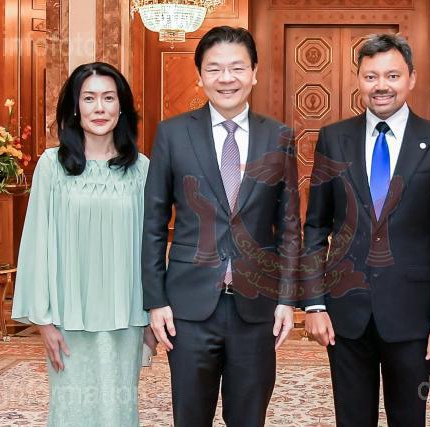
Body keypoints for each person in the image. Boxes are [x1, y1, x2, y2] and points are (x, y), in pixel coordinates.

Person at [302, 33, 430, 426]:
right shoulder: (333, 139)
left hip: (413, 314)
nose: (381, 86)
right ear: (358, 80)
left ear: (411, 78)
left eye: (392, 75)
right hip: (345, 312)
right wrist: (315, 303)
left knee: (409, 418)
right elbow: (315, 227)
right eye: (371, 76)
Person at [142, 26, 300, 427]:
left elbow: (289, 226)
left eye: (237, 68)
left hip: (257, 308)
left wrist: (286, 299)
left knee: (249, 418)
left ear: (254, 73)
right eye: (214, 69)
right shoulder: (173, 134)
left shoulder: (279, 136)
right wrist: (155, 301)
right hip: (189, 307)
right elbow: (153, 223)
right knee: (190, 418)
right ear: (200, 76)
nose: (226, 78)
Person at [11, 62, 156, 426]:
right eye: (89, 98)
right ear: (75, 107)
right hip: (68, 317)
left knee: (119, 411)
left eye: (109, 98)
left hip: (125, 316)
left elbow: (151, 248)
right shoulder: (52, 166)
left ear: (122, 106)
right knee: (70, 411)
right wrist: (44, 322)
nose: (99, 108)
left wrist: (152, 318)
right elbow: (37, 243)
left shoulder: (141, 169)